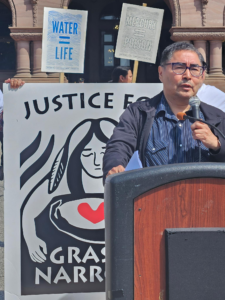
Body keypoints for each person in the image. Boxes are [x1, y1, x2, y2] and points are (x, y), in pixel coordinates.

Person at [103, 41, 225, 181]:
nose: (187, 75)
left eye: (194, 69)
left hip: (205, 200)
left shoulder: (218, 117)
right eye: (179, 67)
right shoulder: (139, 113)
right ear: (161, 73)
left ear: (202, 75)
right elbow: (119, 146)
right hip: (154, 199)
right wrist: (115, 166)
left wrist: (216, 145)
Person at [21, 118, 117, 263]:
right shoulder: (59, 182)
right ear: (75, 154)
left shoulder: (124, 179)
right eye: (87, 154)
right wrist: (31, 240)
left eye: (103, 151)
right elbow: (28, 212)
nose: (96, 161)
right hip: (63, 264)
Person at [0, 78, 25, 180]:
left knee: (8, 153)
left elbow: (4, 107)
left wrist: (14, 88)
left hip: (4, 125)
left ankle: (5, 174)